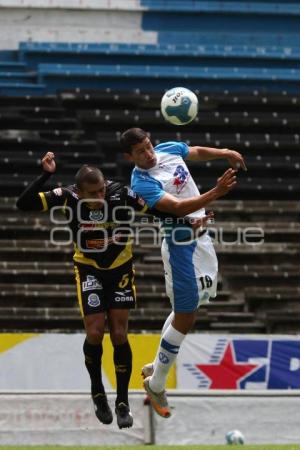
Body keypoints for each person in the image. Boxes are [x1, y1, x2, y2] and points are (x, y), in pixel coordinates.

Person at [16, 151, 211, 429]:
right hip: (88, 268)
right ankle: (98, 392)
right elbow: (23, 203)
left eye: (102, 190)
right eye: (93, 193)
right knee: (95, 332)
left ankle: (122, 401)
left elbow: (156, 211)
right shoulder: (67, 196)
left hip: (120, 267)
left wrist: (187, 222)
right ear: (80, 191)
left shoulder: (120, 194)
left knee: (119, 333)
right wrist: (46, 175)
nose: (100, 195)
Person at [120, 127, 246, 418]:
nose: (149, 153)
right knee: (187, 316)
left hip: (200, 239)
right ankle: (156, 382)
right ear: (129, 157)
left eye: (149, 146)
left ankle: (157, 362)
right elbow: (176, 208)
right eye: (140, 152)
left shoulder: (167, 149)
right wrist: (216, 192)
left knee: (192, 306)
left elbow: (195, 152)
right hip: (180, 246)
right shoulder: (141, 183)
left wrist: (224, 153)